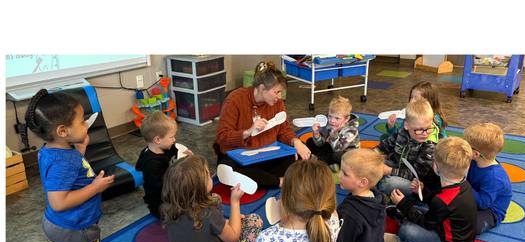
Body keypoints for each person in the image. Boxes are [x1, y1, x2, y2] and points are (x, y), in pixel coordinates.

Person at [25, 88, 125, 242]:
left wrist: (80, 147)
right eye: (82, 121)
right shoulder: (63, 162)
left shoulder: (53, 150)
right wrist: (96, 187)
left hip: (58, 225)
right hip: (77, 226)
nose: (86, 125)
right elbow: (59, 202)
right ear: (62, 131)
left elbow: (72, 165)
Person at [161, 156, 263, 242]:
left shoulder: (168, 210)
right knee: (254, 220)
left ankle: (226, 226)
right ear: (200, 188)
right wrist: (235, 201)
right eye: (208, 176)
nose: (211, 176)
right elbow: (233, 238)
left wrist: (225, 223)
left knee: (217, 201)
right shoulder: (209, 212)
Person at [214, 61, 311, 190]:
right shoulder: (235, 99)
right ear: (261, 88)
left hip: (265, 155)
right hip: (238, 157)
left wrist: (296, 141)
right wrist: (247, 132)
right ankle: (280, 181)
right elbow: (222, 137)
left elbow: (284, 130)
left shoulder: (277, 102)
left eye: (280, 92)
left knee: (300, 159)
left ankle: (261, 180)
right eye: (276, 92)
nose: (279, 97)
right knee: (228, 170)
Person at [388, 138, 477, 242]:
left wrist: (402, 204)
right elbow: (440, 203)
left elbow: (428, 223)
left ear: (436, 168)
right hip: (450, 230)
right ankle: (405, 216)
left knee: (406, 231)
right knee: (416, 209)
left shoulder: (442, 201)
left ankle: (405, 221)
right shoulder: (463, 184)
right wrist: (422, 192)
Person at [334, 149, 388, 242]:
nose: (339, 175)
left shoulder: (350, 212)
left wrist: (334, 218)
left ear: (362, 182)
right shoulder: (377, 197)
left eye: (345, 174)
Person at [375, 98, 440, 198]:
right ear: (407, 126)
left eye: (428, 128)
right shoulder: (402, 132)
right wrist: (371, 155)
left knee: (386, 183)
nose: (425, 133)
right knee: (374, 162)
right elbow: (385, 145)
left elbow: (417, 174)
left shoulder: (430, 145)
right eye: (419, 130)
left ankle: (375, 188)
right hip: (401, 169)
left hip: (419, 184)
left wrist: (389, 171)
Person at [136, 111, 192, 219]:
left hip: (174, 191)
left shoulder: (167, 148)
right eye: (171, 137)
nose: (174, 139)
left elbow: (177, 155)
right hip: (161, 203)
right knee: (186, 213)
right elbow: (163, 191)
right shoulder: (151, 165)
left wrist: (187, 158)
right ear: (157, 140)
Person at [464, 123, 512, 235]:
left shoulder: (495, 177)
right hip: (474, 197)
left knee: (467, 226)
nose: (463, 146)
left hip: (490, 211)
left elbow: (482, 203)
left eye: (466, 145)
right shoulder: (475, 161)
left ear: (476, 154)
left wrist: (461, 180)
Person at [308, 95, 360, 169]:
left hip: (348, 154)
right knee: (310, 141)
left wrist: (334, 133)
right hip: (333, 149)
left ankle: (322, 161)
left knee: (337, 156)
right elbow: (320, 144)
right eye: (330, 116)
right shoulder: (330, 124)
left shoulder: (351, 131)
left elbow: (338, 149)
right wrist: (316, 134)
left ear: (346, 119)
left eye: (337, 118)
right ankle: (332, 163)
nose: (332, 120)